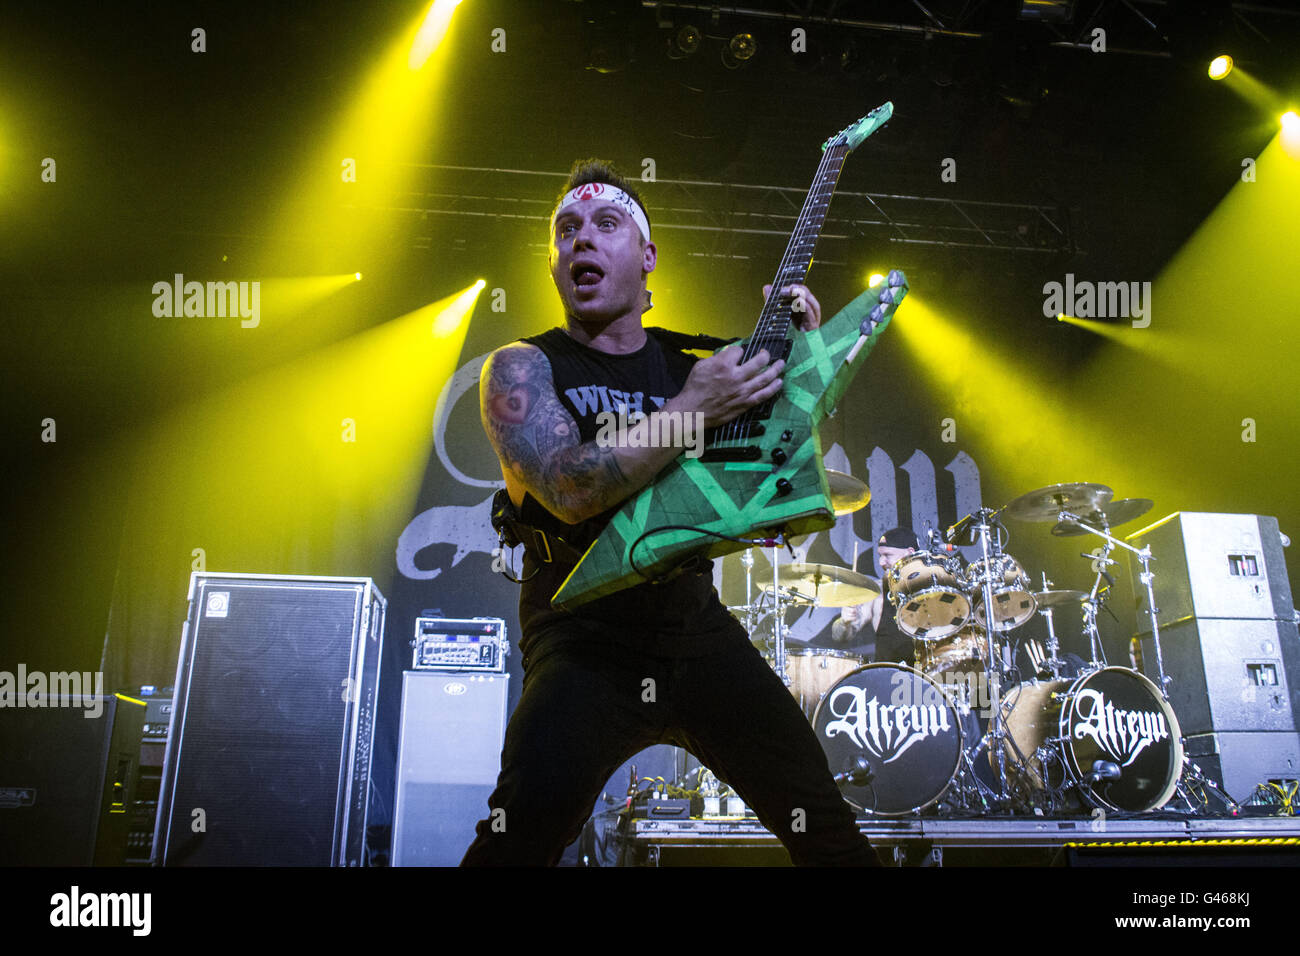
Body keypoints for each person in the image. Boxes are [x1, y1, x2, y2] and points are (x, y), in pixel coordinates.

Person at [462, 159, 879, 866]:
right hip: (581, 638)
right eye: (566, 230)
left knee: (827, 830)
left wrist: (801, 356)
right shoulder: (521, 368)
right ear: (555, 261)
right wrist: (691, 411)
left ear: (648, 257)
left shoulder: (701, 362)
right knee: (519, 839)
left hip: (693, 630)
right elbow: (570, 487)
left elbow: (773, 468)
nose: (581, 241)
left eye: (605, 223)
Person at [831, 527, 918, 667]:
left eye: (888, 555)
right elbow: (839, 636)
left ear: (909, 553)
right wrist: (844, 622)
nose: (881, 562)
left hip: (928, 678)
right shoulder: (876, 592)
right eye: (880, 556)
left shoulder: (933, 590)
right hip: (887, 679)